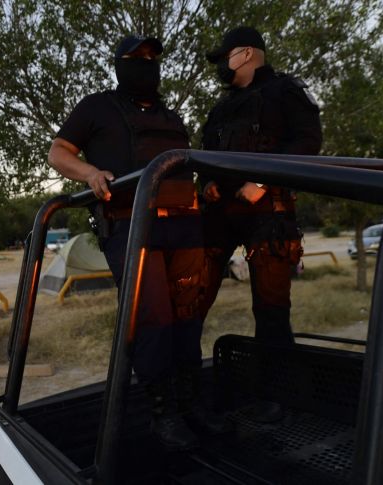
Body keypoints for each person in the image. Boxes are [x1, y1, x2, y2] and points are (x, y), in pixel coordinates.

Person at [48, 34, 228, 451]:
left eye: (153, 57)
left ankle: (190, 404)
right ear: (119, 64)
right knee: (155, 323)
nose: (147, 64)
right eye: (137, 58)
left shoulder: (170, 115)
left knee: (188, 320)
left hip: (186, 227)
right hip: (131, 226)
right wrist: (90, 173)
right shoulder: (96, 107)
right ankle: (162, 414)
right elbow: (58, 151)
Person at [200, 26, 322, 344]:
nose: (220, 67)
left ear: (246, 54)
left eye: (225, 58)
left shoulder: (285, 91)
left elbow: (308, 142)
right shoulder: (221, 108)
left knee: (271, 312)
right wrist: (207, 181)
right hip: (219, 216)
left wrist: (262, 181)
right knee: (191, 300)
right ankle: (182, 384)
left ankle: (275, 389)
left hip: (269, 215)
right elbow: (204, 152)